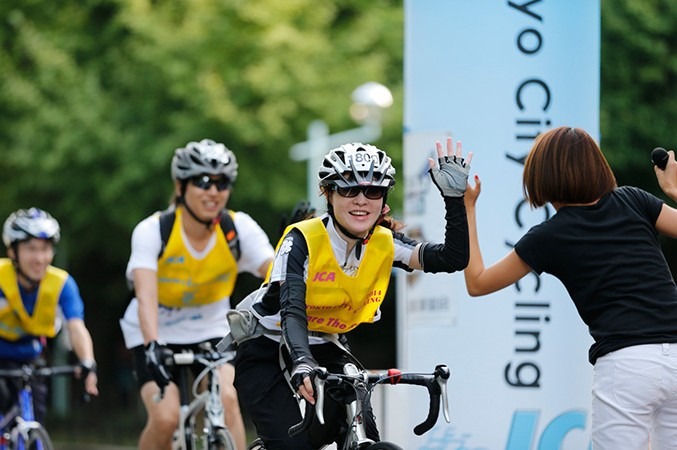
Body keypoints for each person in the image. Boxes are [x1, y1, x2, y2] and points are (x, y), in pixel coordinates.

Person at [231, 140, 471, 450]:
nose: (361, 200)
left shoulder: (385, 243)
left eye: (372, 191)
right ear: (328, 194)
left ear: (383, 199)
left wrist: (455, 199)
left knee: (363, 434)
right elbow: (292, 310)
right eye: (348, 189)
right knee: (293, 447)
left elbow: (453, 259)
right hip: (267, 345)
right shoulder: (302, 239)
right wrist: (302, 360)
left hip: (328, 345)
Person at [462, 126, 677, 450]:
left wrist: (467, 207)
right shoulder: (634, 199)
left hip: (626, 361)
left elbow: (477, 283)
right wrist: (673, 189)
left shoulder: (549, 235)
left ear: (541, 177)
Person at [119, 139, 275, 450]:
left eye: (222, 183)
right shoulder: (153, 231)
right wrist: (152, 345)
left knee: (228, 400)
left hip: (212, 327)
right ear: (180, 186)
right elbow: (145, 295)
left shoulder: (237, 228)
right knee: (164, 418)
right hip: (155, 328)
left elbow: (276, 273)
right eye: (202, 182)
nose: (213, 192)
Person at [0, 207, 98, 423]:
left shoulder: (62, 284)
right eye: (31, 249)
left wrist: (87, 362)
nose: (39, 258)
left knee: (34, 422)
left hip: (31, 359)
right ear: (13, 252)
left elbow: (76, 327)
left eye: (45, 249)